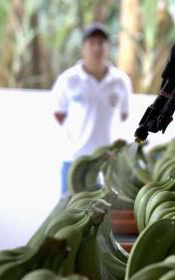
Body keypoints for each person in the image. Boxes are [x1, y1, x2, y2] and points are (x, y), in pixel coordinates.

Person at [51, 23, 132, 195]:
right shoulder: (68, 79)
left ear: (108, 47)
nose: (97, 47)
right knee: (67, 211)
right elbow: (59, 114)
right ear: (83, 48)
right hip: (74, 160)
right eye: (92, 42)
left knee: (105, 213)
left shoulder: (120, 81)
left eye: (101, 42)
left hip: (108, 161)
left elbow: (124, 116)